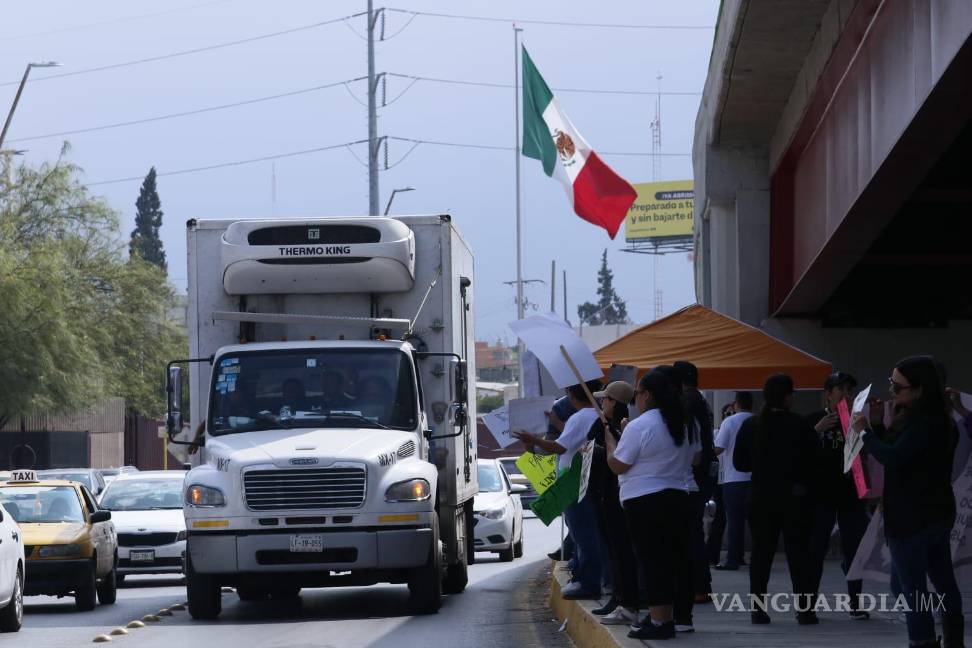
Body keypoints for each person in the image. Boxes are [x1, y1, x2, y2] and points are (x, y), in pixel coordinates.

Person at [852, 356, 964, 648]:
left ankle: (923, 640)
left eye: (898, 387)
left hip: (912, 516)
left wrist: (863, 431)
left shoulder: (922, 423)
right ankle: (952, 639)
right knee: (940, 580)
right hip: (936, 511)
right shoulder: (939, 420)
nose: (892, 390)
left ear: (919, 390)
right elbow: (898, 452)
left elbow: (893, 457)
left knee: (908, 587)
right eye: (891, 383)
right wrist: (876, 426)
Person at [605, 369, 698, 640]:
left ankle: (659, 622)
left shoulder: (641, 425)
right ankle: (667, 618)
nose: (636, 399)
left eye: (637, 393)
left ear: (647, 395)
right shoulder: (686, 422)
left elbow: (618, 464)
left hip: (644, 501)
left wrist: (612, 441)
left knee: (653, 562)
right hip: (678, 496)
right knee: (671, 560)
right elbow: (695, 458)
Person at [733, 373, 818, 625]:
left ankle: (758, 609)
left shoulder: (752, 425)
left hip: (760, 497)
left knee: (761, 555)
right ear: (788, 397)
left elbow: (739, 462)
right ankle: (805, 610)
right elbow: (814, 462)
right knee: (798, 555)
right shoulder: (800, 424)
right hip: (794, 499)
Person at [513, 380, 604, 600]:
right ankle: (585, 579)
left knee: (582, 535)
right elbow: (563, 445)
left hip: (573, 482)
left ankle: (588, 583)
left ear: (572, 395)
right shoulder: (596, 415)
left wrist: (532, 439)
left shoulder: (580, 417)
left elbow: (560, 447)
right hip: (582, 480)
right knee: (585, 533)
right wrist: (533, 445)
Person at [805, 372, 871, 620]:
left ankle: (855, 603)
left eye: (850, 391)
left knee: (854, 550)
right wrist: (815, 431)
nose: (846, 394)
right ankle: (808, 606)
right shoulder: (814, 420)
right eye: (841, 389)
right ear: (828, 393)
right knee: (816, 550)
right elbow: (798, 453)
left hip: (850, 496)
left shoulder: (856, 421)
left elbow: (863, 457)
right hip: (820, 496)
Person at [586, 380, 641, 625]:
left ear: (614, 402)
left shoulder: (624, 427)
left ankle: (626, 599)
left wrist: (599, 449)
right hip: (603, 493)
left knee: (622, 551)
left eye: (606, 399)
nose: (602, 402)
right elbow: (589, 446)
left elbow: (617, 459)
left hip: (618, 496)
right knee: (612, 550)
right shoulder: (601, 424)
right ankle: (616, 597)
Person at [673, 361, 715, 604]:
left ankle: (697, 587)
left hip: (691, 479)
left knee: (690, 535)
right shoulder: (699, 399)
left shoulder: (687, 402)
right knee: (694, 532)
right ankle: (700, 586)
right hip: (701, 476)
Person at [713, 391, 753, 571]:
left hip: (734, 478)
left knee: (734, 521)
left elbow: (719, 448)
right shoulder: (758, 420)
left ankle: (732, 559)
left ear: (736, 404)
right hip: (755, 479)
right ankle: (746, 556)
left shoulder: (729, 421)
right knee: (755, 521)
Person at [706, 402, 736, 566]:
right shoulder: (717, 433)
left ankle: (735, 555)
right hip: (720, 480)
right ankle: (712, 555)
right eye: (727, 414)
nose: (730, 417)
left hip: (732, 478)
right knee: (720, 519)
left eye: (732, 413)